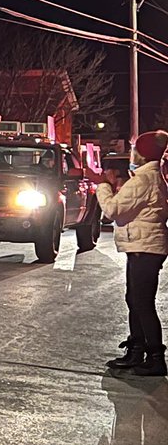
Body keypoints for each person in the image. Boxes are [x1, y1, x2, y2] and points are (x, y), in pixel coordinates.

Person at [88, 130, 168, 376]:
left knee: (142, 302)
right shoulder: (149, 178)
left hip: (145, 248)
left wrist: (103, 184)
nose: (131, 153)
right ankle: (137, 349)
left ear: (142, 154)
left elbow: (112, 210)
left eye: (135, 149)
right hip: (142, 247)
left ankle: (155, 357)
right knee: (134, 299)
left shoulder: (143, 181)